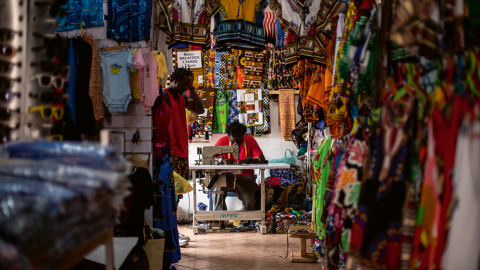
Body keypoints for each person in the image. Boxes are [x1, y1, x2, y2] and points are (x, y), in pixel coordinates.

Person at [163, 68, 203, 247]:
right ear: (174, 79)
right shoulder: (164, 96)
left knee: (177, 195)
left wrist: (192, 88)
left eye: (188, 82)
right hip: (170, 152)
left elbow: (200, 110)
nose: (185, 86)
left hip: (181, 152)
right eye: (184, 82)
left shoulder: (182, 98)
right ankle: (170, 232)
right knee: (169, 195)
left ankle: (174, 232)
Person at [212, 122, 265, 211]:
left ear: (243, 136)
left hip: (245, 177)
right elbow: (211, 156)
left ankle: (242, 219)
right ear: (228, 136)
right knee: (218, 188)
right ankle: (220, 218)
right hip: (227, 176)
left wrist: (249, 159)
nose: (236, 143)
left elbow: (261, 158)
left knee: (250, 202)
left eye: (239, 141)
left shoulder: (250, 140)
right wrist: (222, 160)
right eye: (233, 142)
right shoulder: (223, 141)